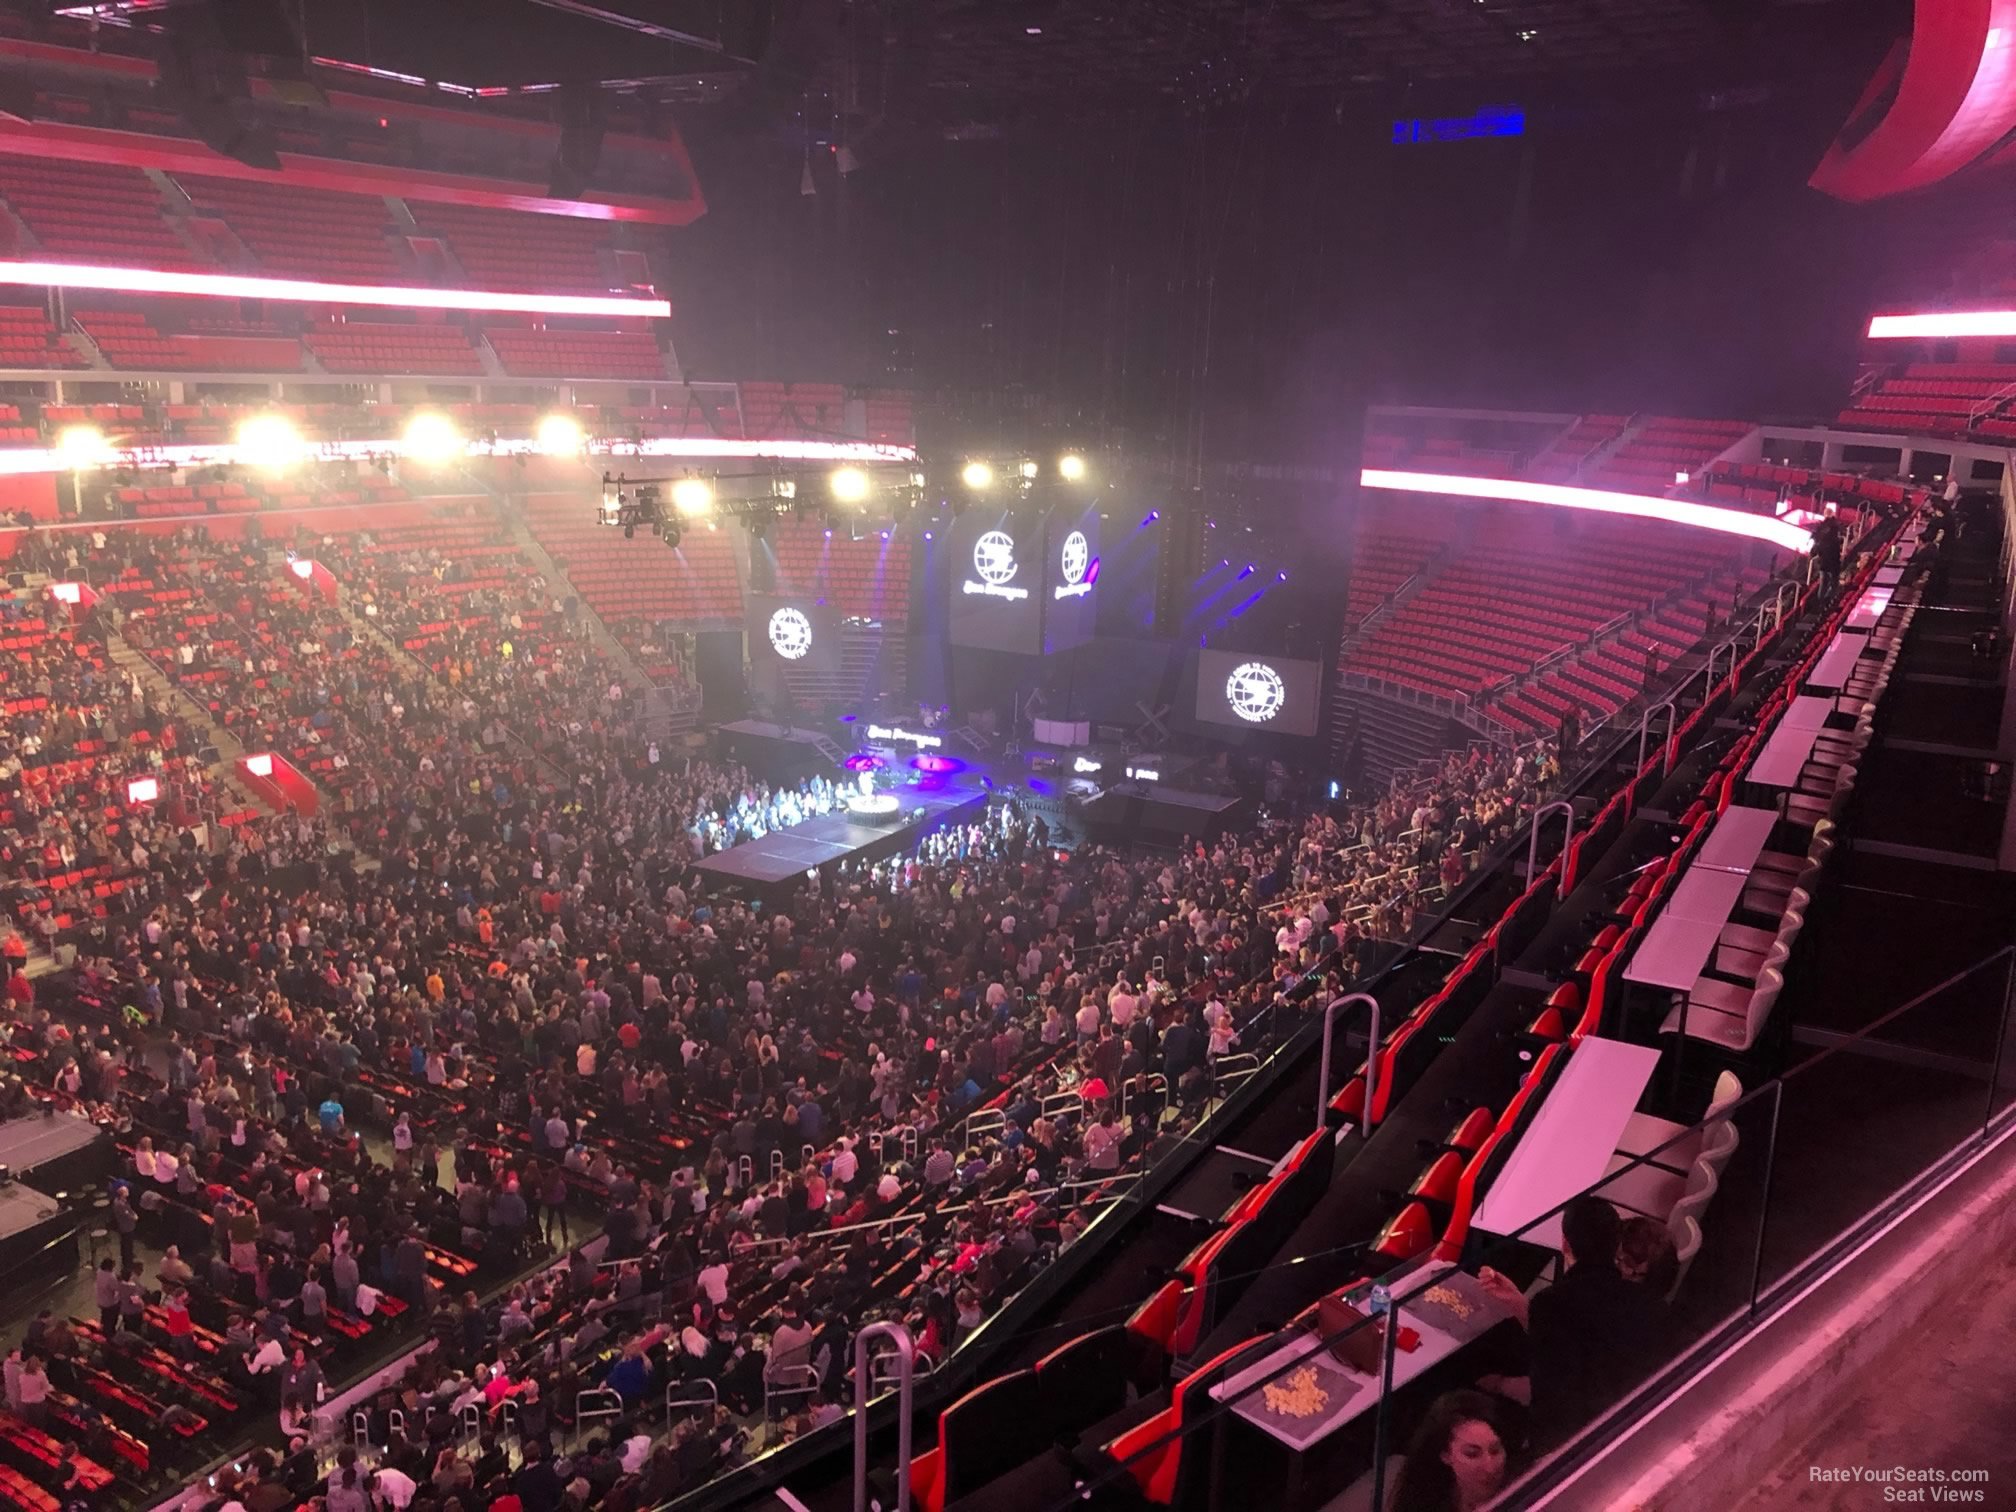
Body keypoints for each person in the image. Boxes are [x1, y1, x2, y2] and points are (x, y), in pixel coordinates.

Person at [1476, 1197, 1672, 1443]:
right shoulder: (1654, 1306)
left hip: (1574, 1441)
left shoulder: (1555, 1303)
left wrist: (1499, 1384)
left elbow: (1552, 1394)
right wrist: (1520, 1304)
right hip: (1641, 1427)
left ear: (1565, 1244)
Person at [1388, 1391, 1511, 1512]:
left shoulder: (1523, 1483)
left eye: (1495, 1451)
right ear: (1446, 1455)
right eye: (1472, 1454)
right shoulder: (1425, 1504)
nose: (1490, 1468)